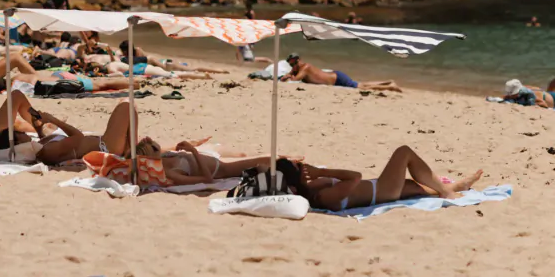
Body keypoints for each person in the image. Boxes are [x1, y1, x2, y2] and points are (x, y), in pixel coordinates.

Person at [286, 146, 483, 211]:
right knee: (404, 152)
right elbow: (355, 177)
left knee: (415, 187)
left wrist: (315, 172)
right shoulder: (322, 197)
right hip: (381, 191)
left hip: (379, 188)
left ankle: (458, 186)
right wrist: (322, 173)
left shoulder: (313, 186)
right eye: (299, 169)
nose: (304, 169)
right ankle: (448, 191)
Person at [0, 93, 137, 165]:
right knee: (126, 105)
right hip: (106, 146)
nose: (25, 133)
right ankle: (133, 151)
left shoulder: (40, 149)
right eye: (21, 134)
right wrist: (54, 120)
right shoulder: (48, 151)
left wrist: (39, 129)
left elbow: (56, 143)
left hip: (105, 142)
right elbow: (78, 137)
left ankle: (132, 149)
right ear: (19, 143)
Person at [134, 138, 304, 185]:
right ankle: (289, 159)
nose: (155, 144)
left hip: (211, 157)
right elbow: (207, 180)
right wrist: (193, 151)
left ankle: (285, 156)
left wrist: (190, 147)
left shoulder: (164, 157)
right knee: (265, 160)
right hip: (220, 169)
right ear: (152, 158)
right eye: (154, 147)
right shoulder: (171, 173)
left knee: (244, 153)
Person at [281, 53, 402, 92]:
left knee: (360, 87)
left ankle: (390, 87)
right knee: (360, 84)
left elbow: (295, 80)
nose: (292, 66)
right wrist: (290, 74)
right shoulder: (297, 68)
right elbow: (293, 75)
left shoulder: (305, 67)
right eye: (291, 64)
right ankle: (388, 82)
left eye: (294, 63)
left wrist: (289, 76)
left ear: (299, 60)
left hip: (336, 79)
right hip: (335, 76)